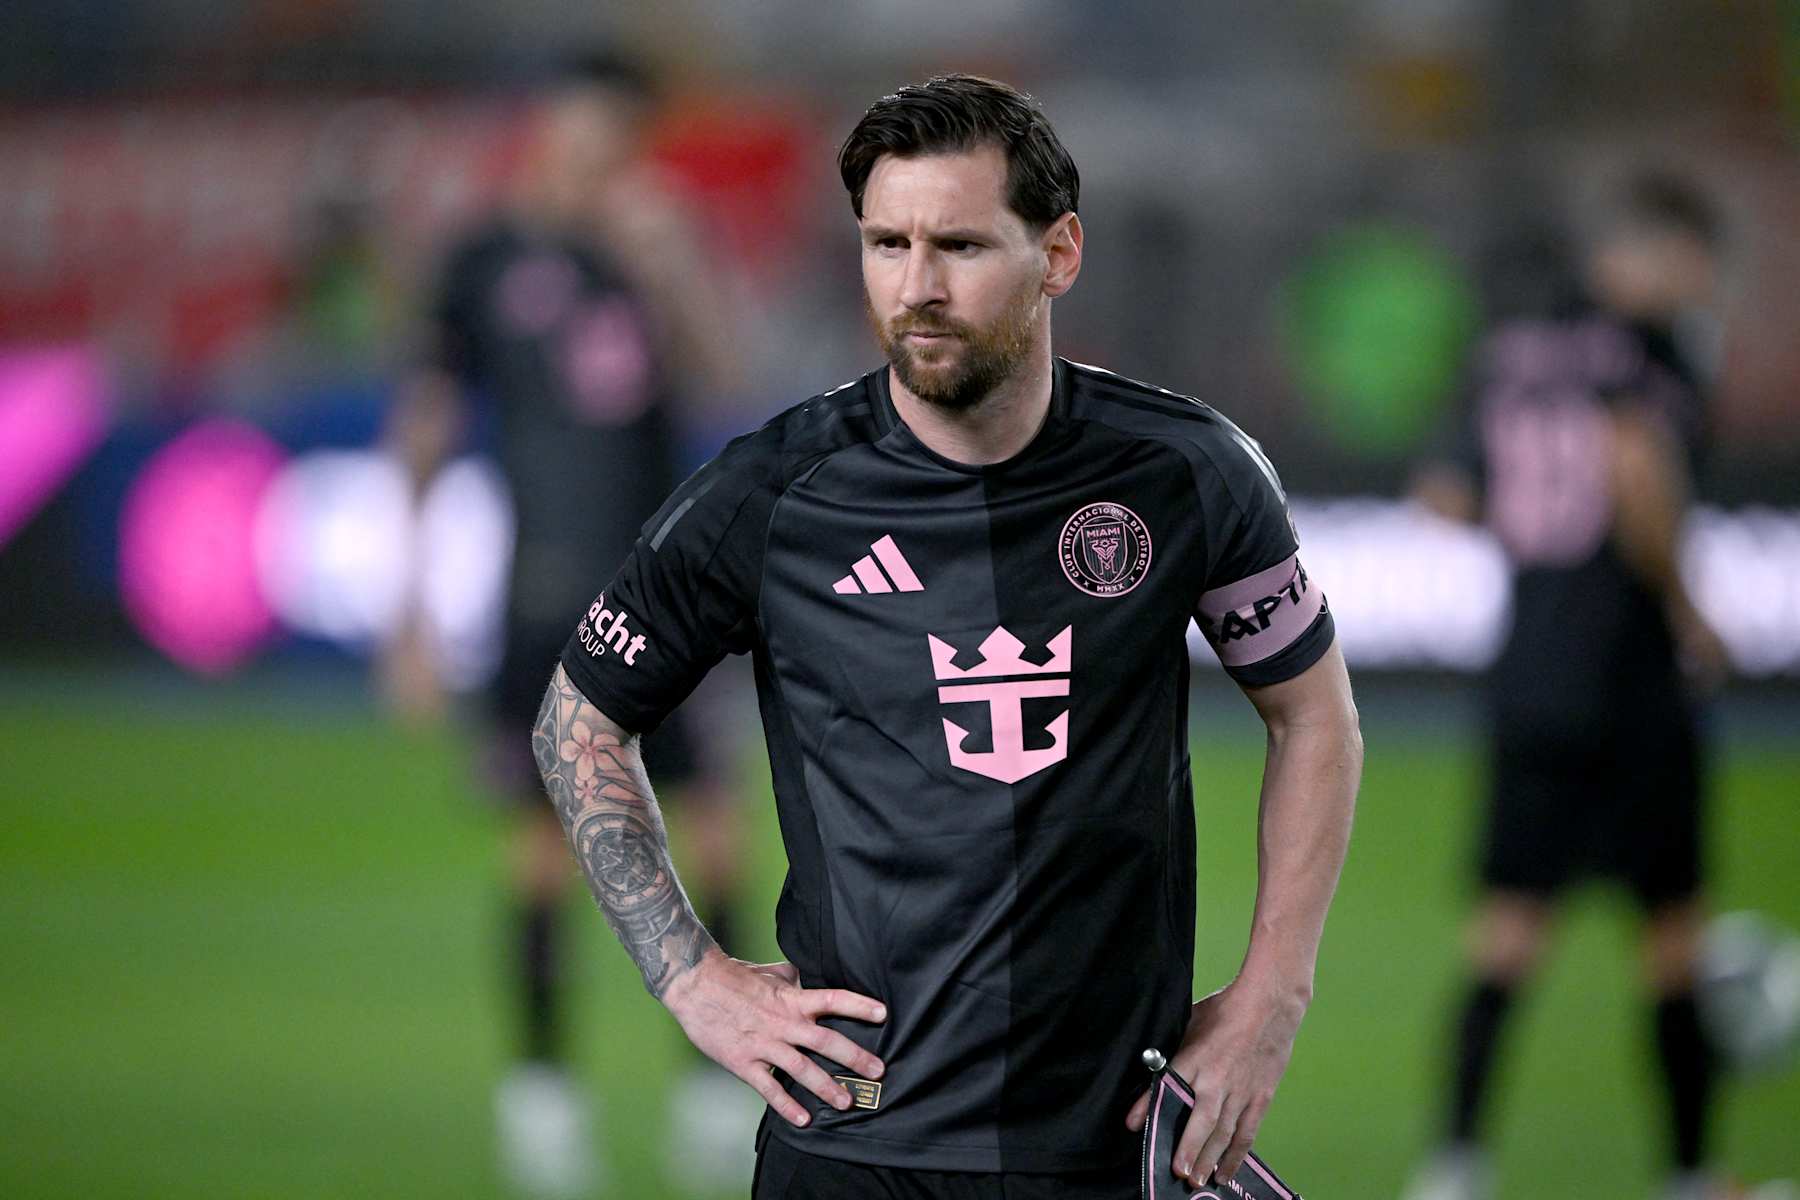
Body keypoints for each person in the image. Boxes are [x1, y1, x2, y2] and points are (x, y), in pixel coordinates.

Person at [533, 74, 1362, 1198]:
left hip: (1111, 1145)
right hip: (853, 1151)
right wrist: (691, 979)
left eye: (960, 246)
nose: (915, 287)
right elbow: (578, 718)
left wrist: (1272, 995)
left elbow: (1312, 713)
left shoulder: (1186, 473)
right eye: (886, 244)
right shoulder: (772, 494)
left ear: (1059, 253)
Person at [382, 57, 753, 1199]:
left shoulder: (649, 246)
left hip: (669, 588)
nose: (605, 163)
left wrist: (671, 263)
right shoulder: (484, 260)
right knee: (546, 852)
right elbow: (431, 423)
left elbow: (726, 374)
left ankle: (714, 1089)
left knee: (718, 836)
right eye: (590, 139)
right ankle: (540, 1098)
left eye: (623, 145)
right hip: (544, 593)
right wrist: (408, 605)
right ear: (549, 131)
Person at [1404, 172, 1731, 1200]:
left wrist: (1539, 550)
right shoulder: (1652, 353)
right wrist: (1685, 606)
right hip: (1632, 681)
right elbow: (1638, 476)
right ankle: (1688, 1174)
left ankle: (1454, 1164)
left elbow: (1444, 497)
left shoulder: (1507, 350)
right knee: (1674, 939)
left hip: (1530, 676)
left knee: (1507, 933)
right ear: (1658, 252)